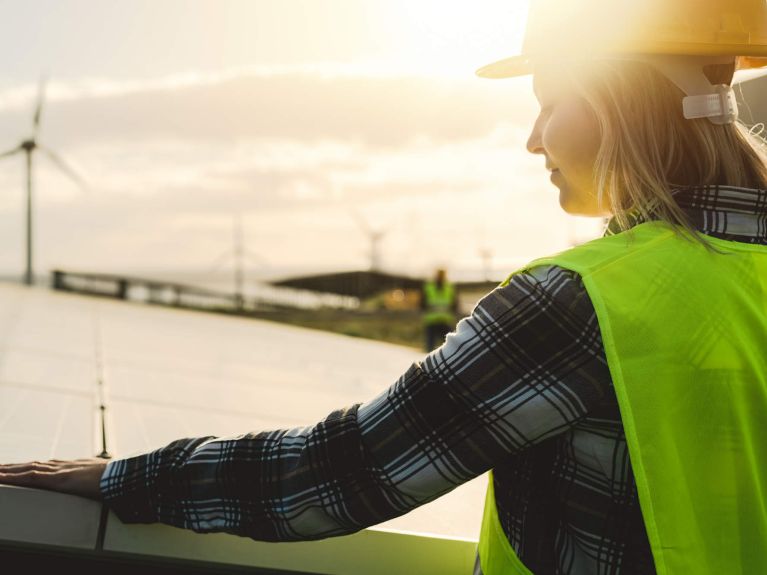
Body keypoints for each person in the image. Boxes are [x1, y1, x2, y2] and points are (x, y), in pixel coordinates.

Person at [2, 1, 767, 573]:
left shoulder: (581, 303)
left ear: (619, 101)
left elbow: (344, 471)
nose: (532, 138)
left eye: (549, 103)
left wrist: (125, 475)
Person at [421, 267, 458, 351]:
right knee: (447, 348)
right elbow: (455, 305)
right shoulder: (448, 287)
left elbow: (422, 304)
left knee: (445, 348)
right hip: (437, 321)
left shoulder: (448, 287)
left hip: (440, 321)